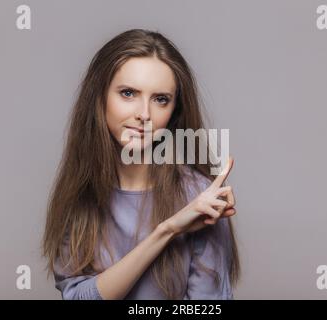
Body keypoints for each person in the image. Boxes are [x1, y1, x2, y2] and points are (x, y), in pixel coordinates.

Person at [42, 28, 240, 300]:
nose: (144, 114)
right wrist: (167, 230)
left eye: (160, 99)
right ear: (99, 98)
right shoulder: (80, 194)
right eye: (128, 93)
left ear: (174, 112)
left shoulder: (199, 196)